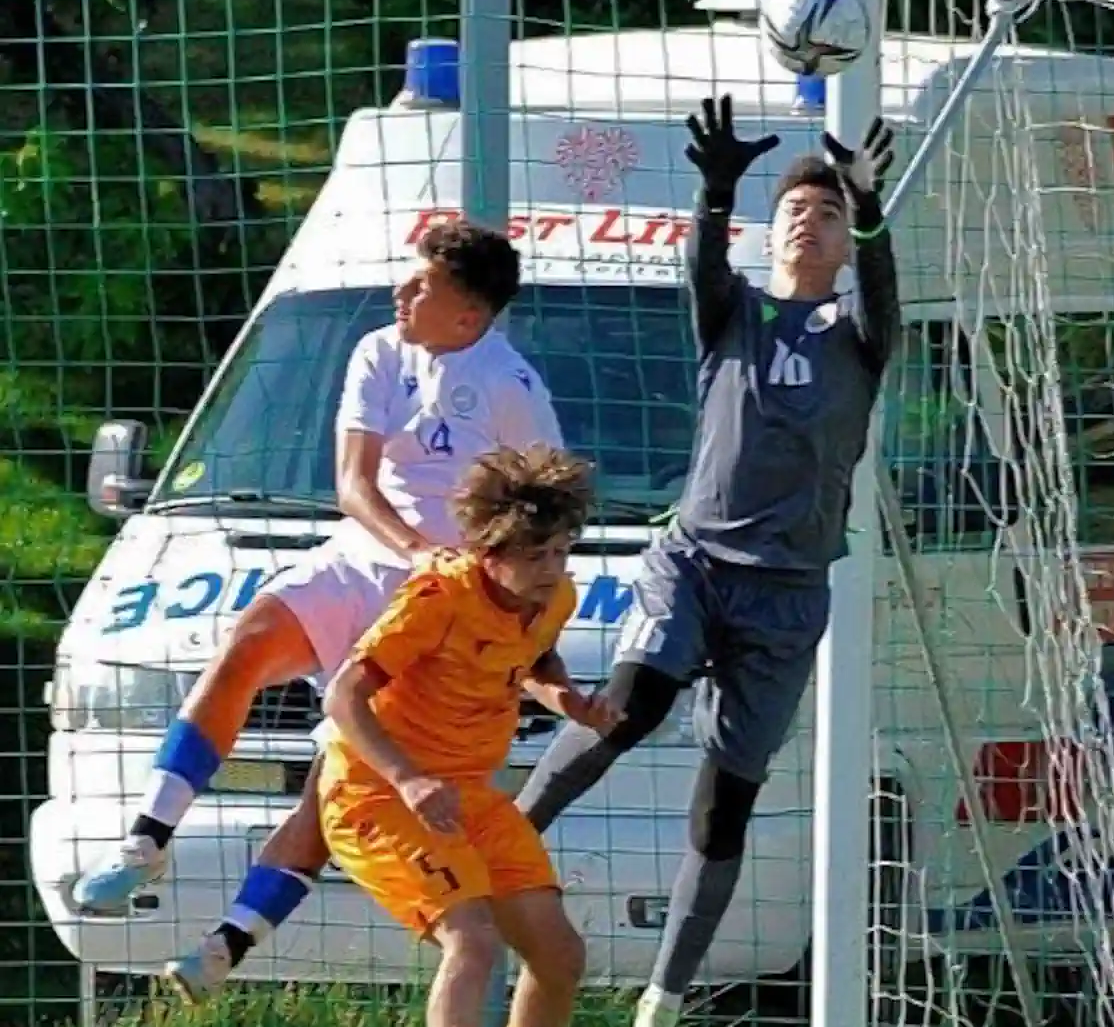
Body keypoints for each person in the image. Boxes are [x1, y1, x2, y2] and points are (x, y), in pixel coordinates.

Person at [68, 218, 565, 997]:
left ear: (468, 315)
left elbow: (548, 507)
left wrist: (507, 604)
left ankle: (228, 944)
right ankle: (148, 838)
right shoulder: (380, 350)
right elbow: (353, 484)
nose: (402, 291)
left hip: (438, 601)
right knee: (247, 642)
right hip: (367, 557)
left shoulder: (512, 388)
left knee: (339, 779)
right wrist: (414, 548)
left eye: (422, 285)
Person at [504, 95, 899, 1027]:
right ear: (769, 233)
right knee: (632, 705)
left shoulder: (859, 335)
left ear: (845, 244)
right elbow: (703, 266)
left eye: (827, 212)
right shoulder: (734, 314)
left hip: (787, 595)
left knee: (725, 805)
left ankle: (666, 994)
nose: (809, 220)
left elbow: (886, 291)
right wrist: (716, 192)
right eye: (795, 208)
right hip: (695, 563)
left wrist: (869, 203)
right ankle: (501, 844)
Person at [322, 444, 617, 1027]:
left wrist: (570, 700)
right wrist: (408, 779)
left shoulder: (555, 598)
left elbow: (536, 659)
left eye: (561, 552)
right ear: (489, 551)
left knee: (559, 955)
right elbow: (342, 695)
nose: (551, 569)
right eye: (535, 556)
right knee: (473, 942)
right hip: (379, 796)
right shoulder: (439, 598)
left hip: (468, 797)